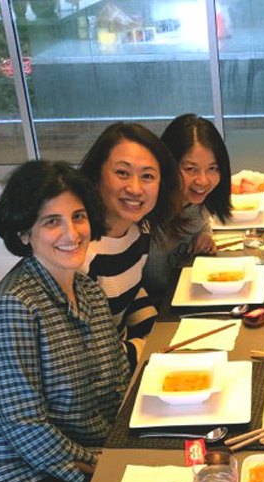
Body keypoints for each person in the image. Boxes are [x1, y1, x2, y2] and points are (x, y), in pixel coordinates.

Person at [0, 161, 129, 482]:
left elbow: (117, 382)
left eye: (78, 217)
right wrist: (106, 466)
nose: (72, 234)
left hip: (81, 453)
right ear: (24, 233)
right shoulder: (14, 307)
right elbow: (28, 431)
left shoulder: (86, 290)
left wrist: (128, 449)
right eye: (51, 222)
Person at [79, 122, 181, 372]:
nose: (135, 189)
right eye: (122, 173)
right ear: (97, 174)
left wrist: (155, 333)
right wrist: (148, 346)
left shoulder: (139, 230)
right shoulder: (81, 254)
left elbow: (133, 289)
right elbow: (90, 357)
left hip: (129, 355)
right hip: (104, 378)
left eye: (147, 176)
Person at [142, 114, 232, 300]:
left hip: (186, 298)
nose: (203, 180)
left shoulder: (198, 203)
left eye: (212, 168)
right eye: (191, 169)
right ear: (168, 164)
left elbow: (202, 221)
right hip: (156, 313)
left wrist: (205, 234)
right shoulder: (145, 216)